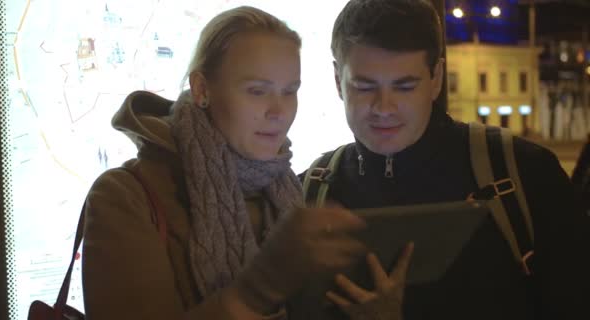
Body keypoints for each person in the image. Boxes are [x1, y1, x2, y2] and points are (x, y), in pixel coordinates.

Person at [82, 6, 397, 320]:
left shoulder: (287, 191)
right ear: (203, 90)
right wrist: (258, 288)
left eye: (290, 91)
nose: (278, 111)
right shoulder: (125, 197)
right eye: (257, 91)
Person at [305, 0, 590, 319]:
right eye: (364, 86)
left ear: (436, 77)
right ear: (336, 81)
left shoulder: (527, 174)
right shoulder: (306, 193)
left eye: (404, 87)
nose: (384, 107)